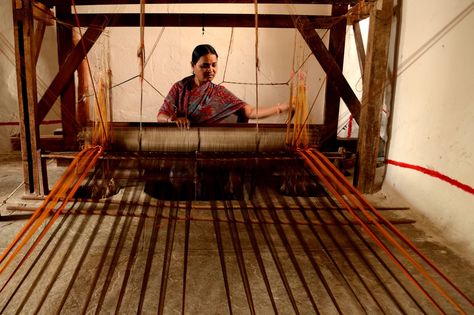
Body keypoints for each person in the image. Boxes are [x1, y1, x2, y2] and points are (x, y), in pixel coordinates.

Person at [157, 44, 289, 128]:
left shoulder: (220, 93)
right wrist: (172, 120)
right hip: (180, 146)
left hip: (209, 147)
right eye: (205, 65)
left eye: (214, 65)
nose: (211, 70)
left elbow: (250, 112)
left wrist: (281, 108)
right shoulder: (180, 88)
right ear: (193, 66)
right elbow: (161, 115)